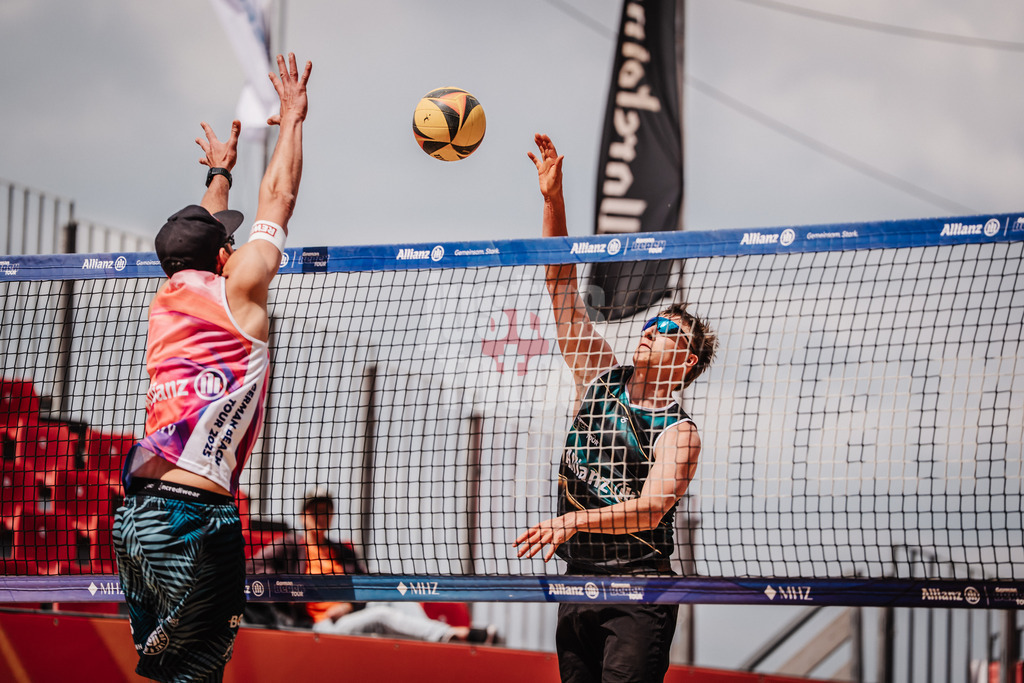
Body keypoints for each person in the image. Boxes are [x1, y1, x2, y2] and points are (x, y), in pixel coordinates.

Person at [112, 53, 312, 683]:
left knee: (169, 676)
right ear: (225, 257)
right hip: (192, 519)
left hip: (135, 520)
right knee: (195, 677)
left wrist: (220, 172)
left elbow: (194, 242)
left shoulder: (167, 298)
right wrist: (294, 122)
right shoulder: (239, 291)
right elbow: (278, 196)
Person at [514, 134, 717, 683]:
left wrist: (573, 518)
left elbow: (651, 511)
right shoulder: (599, 379)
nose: (651, 330)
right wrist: (553, 202)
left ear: (688, 361)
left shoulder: (678, 432)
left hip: (637, 590)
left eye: (668, 330)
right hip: (577, 581)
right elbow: (560, 287)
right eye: (652, 324)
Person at [249, 488, 497, 645]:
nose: (319, 517)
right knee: (382, 616)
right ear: (303, 516)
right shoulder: (289, 545)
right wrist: (294, 589)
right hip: (321, 625)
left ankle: (434, 642)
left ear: (332, 516)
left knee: (396, 597)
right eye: (314, 512)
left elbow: (367, 586)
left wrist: (348, 604)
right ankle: (452, 636)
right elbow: (252, 570)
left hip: (350, 613)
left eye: (325, 512)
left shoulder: (343, 551)